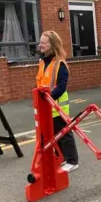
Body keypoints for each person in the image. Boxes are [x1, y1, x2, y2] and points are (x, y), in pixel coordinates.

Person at [37, 30, 79, 172]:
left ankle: (72, 161)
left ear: (52, 45)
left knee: (64, 135)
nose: (40, 45)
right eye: (40, 42)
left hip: (58, 106)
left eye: (43, 42)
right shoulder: (43, 62)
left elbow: (61, 87)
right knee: (54, 136)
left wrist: (48, 99)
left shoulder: (59, 64)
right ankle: (63, 158)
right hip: (47, 106)